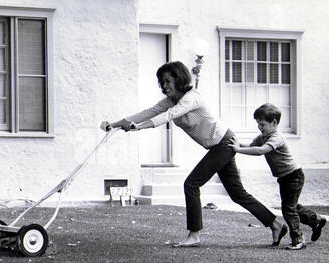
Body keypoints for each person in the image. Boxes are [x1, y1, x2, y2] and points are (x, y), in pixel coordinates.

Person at [100, 61, 287, 248]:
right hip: (218, 146)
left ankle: (194, 234)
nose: (164, 86)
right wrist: (113, 125)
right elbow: (148, 112)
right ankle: (275, 224)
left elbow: (169, 115)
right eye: (161, 83)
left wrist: (138, 128)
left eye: (167, 81)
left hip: (223, 143)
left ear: (179, 79)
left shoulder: (192, 98)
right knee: (237, 194)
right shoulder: (170, 101)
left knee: (191, 184)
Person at [229, 103, 326, 250]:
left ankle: (298, 239)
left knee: (288, 209)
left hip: (294, 175)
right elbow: (249, 145)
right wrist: (236, 144)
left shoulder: (277, 137)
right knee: (292, 207)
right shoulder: (263, 137)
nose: (260, 127)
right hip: (284, 178)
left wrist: (238, 150)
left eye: (262, 124)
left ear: (274, 123)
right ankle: (316, 220)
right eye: (258, 124)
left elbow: (261, 151)